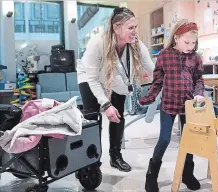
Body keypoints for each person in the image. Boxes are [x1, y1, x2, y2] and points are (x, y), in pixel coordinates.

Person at [76, 7, 154, 172]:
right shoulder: (98, 42)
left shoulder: (136, 45)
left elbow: (152, 68)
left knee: (117, 115)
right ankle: (90, 160)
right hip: (91, 78)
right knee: (92, 118)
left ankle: (115, 156)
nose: (134, 32)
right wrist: (105, 104)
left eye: (135, 27)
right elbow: (92, 78)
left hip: (115, 79)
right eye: (130, 28)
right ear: (117, 28)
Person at [138, 19, 205, 192]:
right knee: (164, 139)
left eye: (193, 42)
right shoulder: (164, 55)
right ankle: (151, 175)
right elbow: (158, 81)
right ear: (176, 38)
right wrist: (150, 97)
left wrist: (198, 93)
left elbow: (199, 79)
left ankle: (187, 174)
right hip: (169, 104)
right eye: (186, 42)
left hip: (189, 105)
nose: (190, 46)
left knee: (189, 140)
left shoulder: (196, 58)